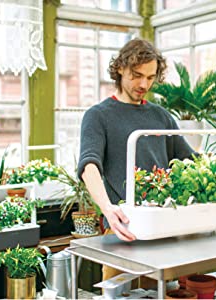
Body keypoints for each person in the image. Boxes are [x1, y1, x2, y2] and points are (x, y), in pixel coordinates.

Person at [77, 38, 196, 280]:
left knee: (165, 293)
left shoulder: (161, 116)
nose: (144, 84)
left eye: (151, 77)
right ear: (120, 68)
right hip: (122, 228)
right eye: (137, 75)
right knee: (119, 294)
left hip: (164, 228)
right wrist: (108, 209)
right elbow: (89, 165)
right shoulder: (97, 116)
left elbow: (188, 159)